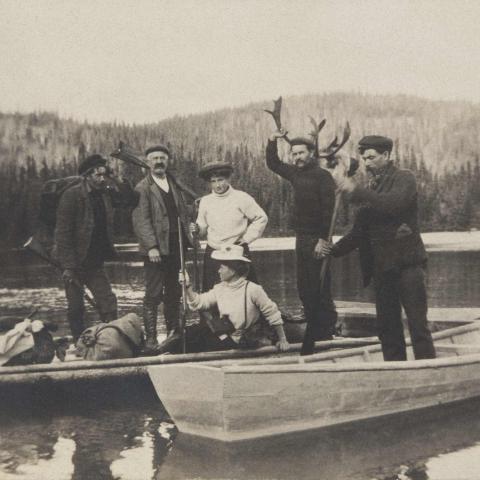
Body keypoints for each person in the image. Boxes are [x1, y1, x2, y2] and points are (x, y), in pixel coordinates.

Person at [322, 135, 436, 361]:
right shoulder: (370, 188)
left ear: (386, 155)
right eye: (364, 158)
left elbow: (393, 204)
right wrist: (332, 250)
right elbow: (358, 233)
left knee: (417, 324)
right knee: (388, 327)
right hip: (382, 269)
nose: (367, 162)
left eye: (372, 157)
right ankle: (395, 370)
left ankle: (428, 368)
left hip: (407, 266)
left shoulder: (404, 178)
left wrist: (355, 190)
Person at [266, 130, 337, 354]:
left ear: (311, 153)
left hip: (318, 238)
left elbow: (329, 212)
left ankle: (328, 332)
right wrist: (272, 140)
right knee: (305, 287)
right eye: (294, 153)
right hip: (302, 238)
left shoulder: (323, 176)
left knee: (321, 286)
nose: (297, 157)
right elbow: (274, 163)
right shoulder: (296, 174)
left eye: (301, 153)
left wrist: (322, 240)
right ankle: (315, 330)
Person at [54, 154, 138, 342]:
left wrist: (117, 178)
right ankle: (78, 343)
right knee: (76, 307)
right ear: (86, 175)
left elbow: (130, 199)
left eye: (104, 175)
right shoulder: (71, 195)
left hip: (94, 261)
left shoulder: (106, 193)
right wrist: (68, 266)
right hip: (73, 262)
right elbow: (63, 233)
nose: (102, 179)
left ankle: (112, 340)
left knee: (107, 301)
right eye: (97, 175)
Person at [132, 144, 195, 354]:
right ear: (148, 162)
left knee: (174, 292)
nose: (159, 161)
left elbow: (182, 213)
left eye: (162, 158)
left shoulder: (174, 184)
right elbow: (141, 220)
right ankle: (150, 339)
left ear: (167, 161)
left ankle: (173, 334)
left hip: (177, 246)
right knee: (153, 294)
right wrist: (151, 247)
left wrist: (190, 230)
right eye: (154, 158)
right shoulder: (143, 187)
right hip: (157, 250)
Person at [172, 244, 289, 353]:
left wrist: (283, 339)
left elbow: (273, 314)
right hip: (224, 336)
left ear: (233, 270)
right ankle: (163, 352)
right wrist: (187, 286)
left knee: (198, 342)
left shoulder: (253, 289)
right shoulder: (219, 288)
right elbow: (198, 303)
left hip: (245, 340)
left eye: (222, 267)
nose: (218, 271)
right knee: (189, 335)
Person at [191, 161, 268, 291]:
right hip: (213, 251)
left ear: (228, 179)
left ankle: (250, 311)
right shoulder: (205, 201)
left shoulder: (241, 197)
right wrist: (197, 229)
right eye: (213, 181)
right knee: (212, 290)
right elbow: (202, 227)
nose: (217, 185)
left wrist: (247, 238)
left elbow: (261, 218)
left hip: (237, 250)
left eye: (220, 180)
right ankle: (214, 312)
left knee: (247, 289)